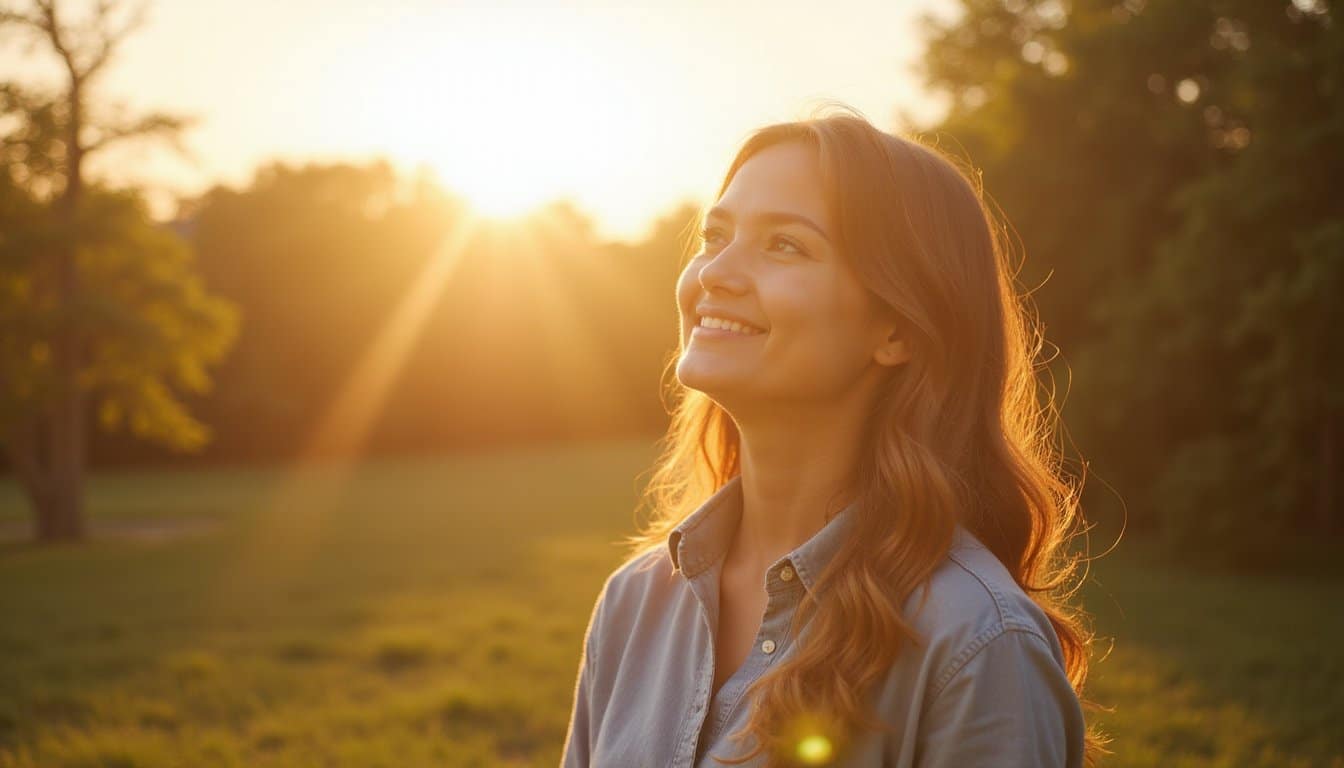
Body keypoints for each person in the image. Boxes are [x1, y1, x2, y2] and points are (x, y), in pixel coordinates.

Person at [561, 107, 1105, 767]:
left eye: (784, 244)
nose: (713, 274)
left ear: (897, 330)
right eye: (715, 236)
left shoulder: (976, 644)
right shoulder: (634, 602)